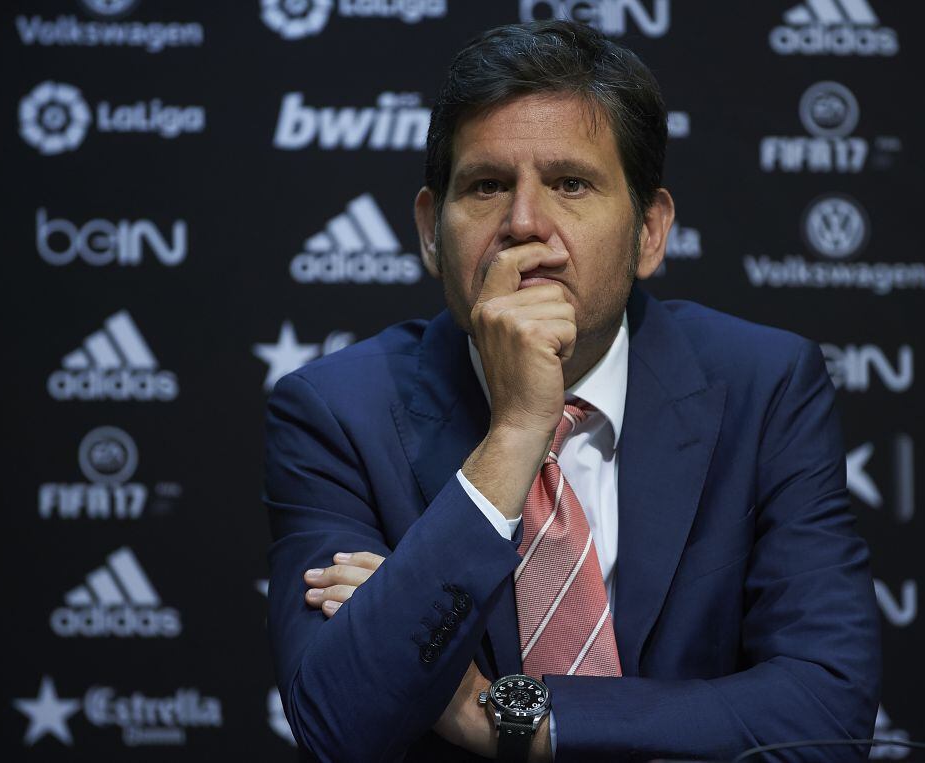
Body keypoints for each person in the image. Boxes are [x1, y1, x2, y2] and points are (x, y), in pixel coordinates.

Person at [264, 20, 881, 763]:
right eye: (487, 186)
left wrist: (518, 720)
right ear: (432, 231)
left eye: (571, 184)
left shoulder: (765, 386)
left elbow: (826, 711)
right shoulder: (336, 412)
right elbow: (340, 725)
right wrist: (519, 428)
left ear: (649, 233)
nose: (524, 223)